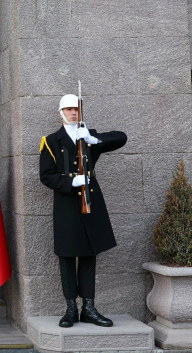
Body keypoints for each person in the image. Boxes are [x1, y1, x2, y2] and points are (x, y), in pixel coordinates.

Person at [39, 93, 127, 328]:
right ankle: (70, 309)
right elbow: (46, 176)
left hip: (90, 204)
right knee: (67, 255)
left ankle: (89, 308)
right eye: (68, 109)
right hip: (67, 206)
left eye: (76, 109)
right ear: (60, 113)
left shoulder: (87, 137)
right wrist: (70, 183)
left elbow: (121, 138)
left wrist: (92, 138)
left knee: (89, 254)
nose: (73, 113)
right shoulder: (50, 141)